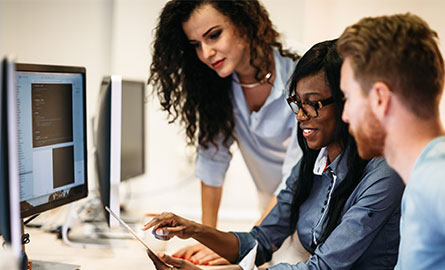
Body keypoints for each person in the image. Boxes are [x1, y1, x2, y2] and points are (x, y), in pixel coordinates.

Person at [143, 40, 405, 270]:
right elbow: (260, 242)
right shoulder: (313, 162)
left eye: (312, 104)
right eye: (297, 103)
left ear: (347, 102)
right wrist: (191, 229)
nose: (301, 116)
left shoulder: (384, 174)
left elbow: (324, 267)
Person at [148, 0, 303, 264]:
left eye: (214, 35)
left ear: (243, 23)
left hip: (307, 214)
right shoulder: (219, 87)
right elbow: (212, 165)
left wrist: (242, 246)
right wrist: (208, 239)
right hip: (267, 211)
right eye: (196, 45)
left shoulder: (301, 75)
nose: (206, 52)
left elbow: (293, 178)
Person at [338, 13, 445, 269]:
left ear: (379, 98)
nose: (345, 115)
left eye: (348, 97)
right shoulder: (421, 179)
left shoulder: (435, 178)